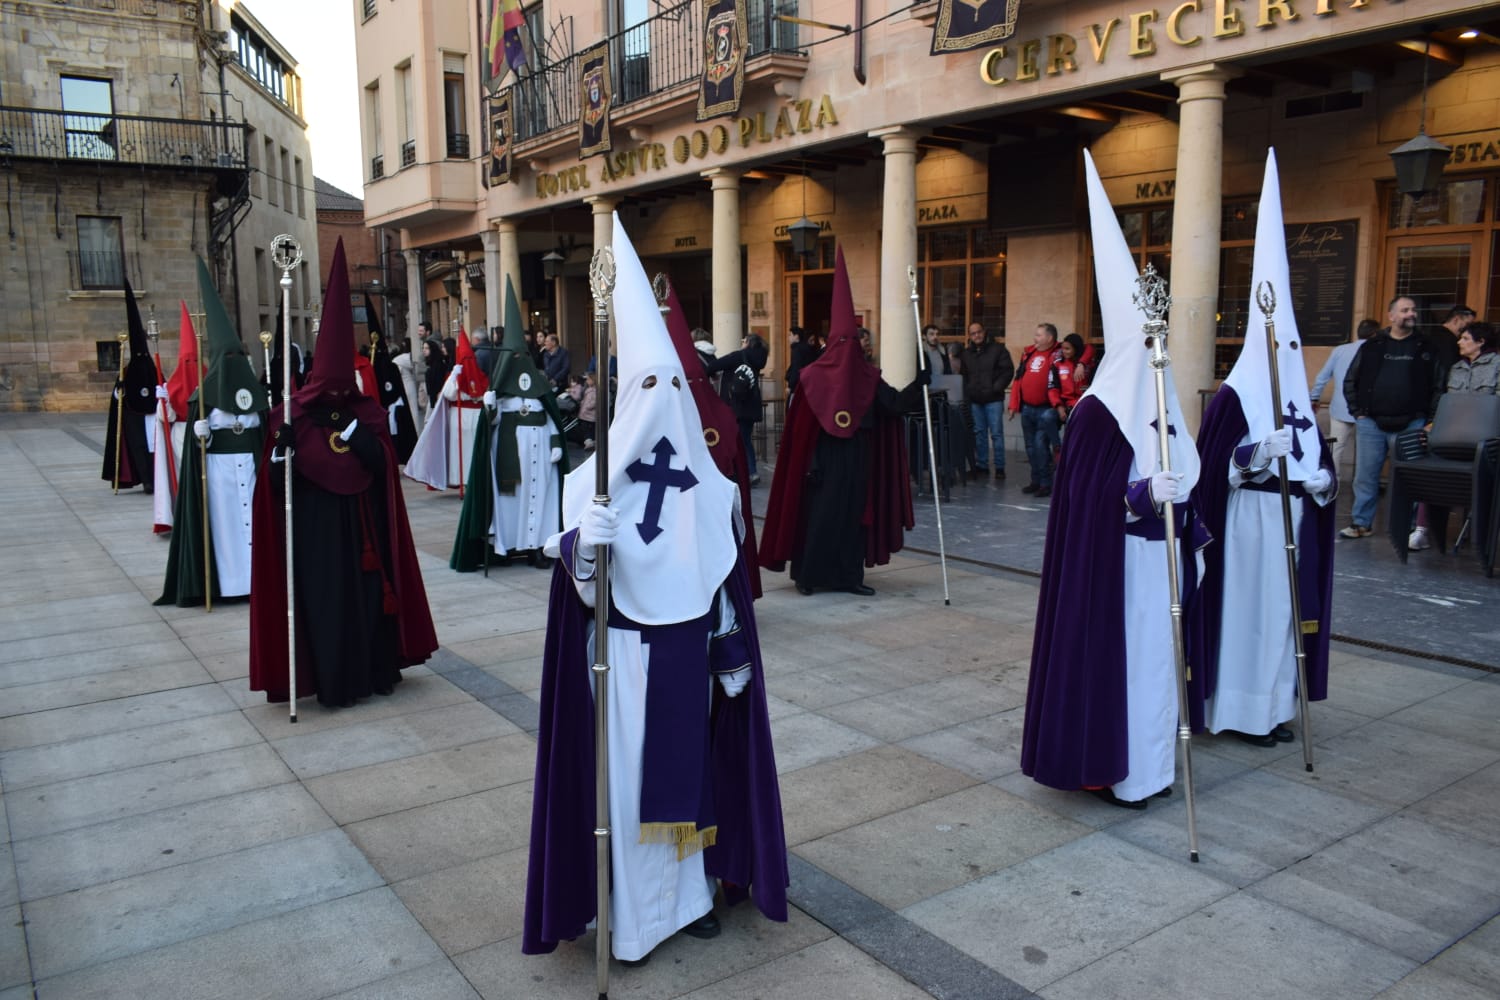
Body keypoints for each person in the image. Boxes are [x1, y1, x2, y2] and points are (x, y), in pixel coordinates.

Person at [523, 213, 788, 965]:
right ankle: (635, 920)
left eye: (673, 380)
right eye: (649, 381)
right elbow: (571, 586)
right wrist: (583, 546)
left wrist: (732, 646)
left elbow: (722, 577)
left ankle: (694, 898)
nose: (663, 392)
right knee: (626, 789)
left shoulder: (709, 487)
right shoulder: (591, 482)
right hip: (618, 657)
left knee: (694, 773)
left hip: (686, 657)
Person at [1021, 150, 1207, 810]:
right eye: (1151, 344)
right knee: (1124, 668)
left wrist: (1185, 497)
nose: (1161, 355)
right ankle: (1113, 768)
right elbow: (1081, 502)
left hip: (1162, 564)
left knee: (1159, 668)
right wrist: (1137, 495)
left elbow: (1185, 467)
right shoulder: (1098, 415)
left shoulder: (1165, 403)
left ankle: (1154, 767)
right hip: (1118, 568)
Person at [1187, 149, 1335, 749]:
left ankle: (1275, 706)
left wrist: (1323, 480)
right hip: (1249, 522)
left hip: (1293, 514)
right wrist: (1252, 455)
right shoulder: (1233, 397)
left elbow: (1316, 453)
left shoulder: (1296, 385)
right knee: (1249, 615)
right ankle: (1241, 712)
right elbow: (1209, 470)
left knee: (1281, 618)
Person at [248, 240, 437, 709]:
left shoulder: (365, 414)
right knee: (328, 610)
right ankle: (334, 683)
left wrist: (352, 430)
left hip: (363, 530)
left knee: (370, 604)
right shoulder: (288, 417)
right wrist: (281, 453)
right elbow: (272, 488)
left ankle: (377, 671)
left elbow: (381, 465)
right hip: (315, 537)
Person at [759, 247, 923, 597]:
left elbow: (891, 406)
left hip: (858, 456)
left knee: (854, 517)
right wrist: (812, 463)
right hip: (822, 461)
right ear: (833, 342)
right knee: (819, 516)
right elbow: (801, 429)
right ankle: (808, 576)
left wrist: (918, 385)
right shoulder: (812, 377)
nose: (850, 349)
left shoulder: (868, 376)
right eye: (843, 341)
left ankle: (850, 577)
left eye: (855, 342)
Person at [157, 258, 270, 607]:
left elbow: (264, 431)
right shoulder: (203, 398)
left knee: (254, 525)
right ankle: (229, 585)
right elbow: (193, 452)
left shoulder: (255, 394)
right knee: (226, 531)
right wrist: (199, 435)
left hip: (249, 469)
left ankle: (259, 581)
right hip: (218, 474)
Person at [451, 276, 569, 571]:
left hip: (541, 460)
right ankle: (505, 546)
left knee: (541, 501)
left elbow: (553, 420)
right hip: (509, 462)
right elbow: (487, 427)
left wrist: (556, 444)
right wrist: (489, 408)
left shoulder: (540, 389)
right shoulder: (500, 394)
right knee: (510, 506)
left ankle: (537, 548)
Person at [1338, 295, 1444, 538]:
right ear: (1391, 315)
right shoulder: (1372, 346)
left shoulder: (1426, 347)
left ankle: (1407, 527)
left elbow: (1439, 386)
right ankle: (1361, 523)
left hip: (1413, 423)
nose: (1411, 314)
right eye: (1405, 310)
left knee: (1408, 477)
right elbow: (1350, 381)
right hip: (1371, 423)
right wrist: (1358, 413)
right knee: (1365, 477)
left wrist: (1430, 420)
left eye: (1413, 310)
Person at [1408, 322, 1500, 551]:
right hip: (1453, 436)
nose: (1459, 342)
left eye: (1466, 339)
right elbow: (1448, 403)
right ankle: (1422, 530)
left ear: (1481, 342)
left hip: (1485, 441)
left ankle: (1477, 529)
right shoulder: (1457, 368)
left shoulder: (1497, 365)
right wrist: (1433, 427)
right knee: (1428, 466)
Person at [405, 332, 489, 490]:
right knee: (472, 451)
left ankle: (463, 480)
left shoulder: (455, 374)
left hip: (460, 417)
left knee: (462, 453)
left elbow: (448, 394)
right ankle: (474, 480)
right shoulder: (480, 375)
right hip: (476, 416)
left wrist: (454, 378)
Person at [102, 279, 159, 494]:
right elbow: (117, 394)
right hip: (134, 415)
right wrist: (119, 391)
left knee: (155, 447)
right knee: (138, 447)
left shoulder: (152, 367)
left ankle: (156, 478)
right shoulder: (126, 370)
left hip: (153, 414)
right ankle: (145, 479)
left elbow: (162, 384)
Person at [152, 303, 199, 535]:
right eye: (186, 361)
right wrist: (164, 400)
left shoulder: (207, 375)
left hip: (202, 433)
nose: (190, 365)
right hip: (180, 433)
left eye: (194, 361)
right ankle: (184, 517)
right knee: (182, 477)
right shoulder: (174, 382)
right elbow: (165, 417)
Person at [1311, 319, 1378, 483]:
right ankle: (1362, 484)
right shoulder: (1377, 351)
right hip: (1367, 411)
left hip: (1341, 408)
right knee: (1366, 453)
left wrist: (1314, 397)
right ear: (1375, 334)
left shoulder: (1340, 350)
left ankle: (1332, 482)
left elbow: (1322, 376)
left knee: (1336, 448)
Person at [706, 333, 768, 485]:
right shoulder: (759, 358)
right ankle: (752, 471)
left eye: (743, 340)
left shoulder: (739, 356)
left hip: (736, 405)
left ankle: (743, 472)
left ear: (748, 342)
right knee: (746, 440)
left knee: (736, 441)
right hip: (751, 406)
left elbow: (713, 366)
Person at [1010, 323, 1064, 496]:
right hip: (1027, 408)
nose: (1035, 338)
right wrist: (1013, 404)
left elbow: (1085, 350)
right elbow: (1018, 379)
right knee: (1030, 447)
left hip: (1045, 409)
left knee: (1041, 446)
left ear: (1049, 338)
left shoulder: (1058, 354)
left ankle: (1046, 483)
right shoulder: (1029, 354)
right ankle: (1036, 480)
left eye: (1039, 335)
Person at [959, 321, 1014, 480]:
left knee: (996, 434)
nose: (977, 335)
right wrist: (968, 392)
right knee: (979, 434)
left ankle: (1000, 467)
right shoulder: (967, 354)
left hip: (993, 400)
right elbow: (964, 376)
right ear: (970, 336)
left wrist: (996, 387)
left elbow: (1007, 371)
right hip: (975, 400)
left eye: (979, 332)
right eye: (973, 333)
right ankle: (981, 465)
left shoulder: (998, 350)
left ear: (984, 332)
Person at [1049, 333, 1090, 428]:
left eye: (1067, 349)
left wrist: (1082, 364)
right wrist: (1058, 406)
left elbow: (1090, 347)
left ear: (1076, 349)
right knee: (1047, 417)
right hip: (1063, 405)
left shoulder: (1088, 364)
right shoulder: (1058, 364)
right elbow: (1052, 387)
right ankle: (1057, 443)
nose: (1063, 351)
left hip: (1082, 406)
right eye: (1063, 348)